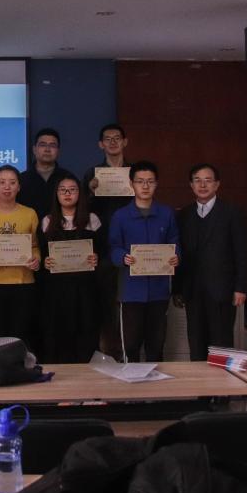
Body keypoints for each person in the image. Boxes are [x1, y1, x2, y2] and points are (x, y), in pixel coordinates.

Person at [174, 164, 247, 361]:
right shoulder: (184, 215)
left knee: (221, 343)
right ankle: (202, 382)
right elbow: (179, 254)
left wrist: (241, 287)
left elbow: (242, 253)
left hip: (222, 290)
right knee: (196, 343)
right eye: (197, 180)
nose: (202, 185)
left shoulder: (232, 213)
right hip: (192, 291)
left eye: (208, 181)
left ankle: (222, 382)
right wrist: (178, 289)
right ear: (191, 185)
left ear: (217, 185)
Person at [108, 161, 180, 363]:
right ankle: (130, 384)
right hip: (130, 291)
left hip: (159, 291)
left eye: (150, 181)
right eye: (140, 181)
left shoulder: (166, 213)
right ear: (131, 184)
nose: (145, 186)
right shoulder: (120, 216)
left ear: (156, 184)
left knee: (156, 346)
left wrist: (176, 256)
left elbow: (175, 242)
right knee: (130, 346)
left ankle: (155, 385)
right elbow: (113, 247)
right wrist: (122, 257)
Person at [82, 123, 134, 358]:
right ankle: (110, 353)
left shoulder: (135, 174)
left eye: (117, 138)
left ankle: (131, 353)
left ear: (125, 142)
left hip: (132, 247)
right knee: (106, 304)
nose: (113, 142)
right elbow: (84, 212)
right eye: (107, 139)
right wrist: (91, 192)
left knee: (131, 305)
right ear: (100, 144)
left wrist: (135, 188)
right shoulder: (92, 174)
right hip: (102, 248)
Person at [0, 165, 41, 346]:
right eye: (2, 182)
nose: (7, 187)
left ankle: (19, 365)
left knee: (20, 335)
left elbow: (35, 245)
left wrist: (37, 259)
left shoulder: (30, 213)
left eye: (12, 182)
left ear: (19, 187)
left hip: (23, 282)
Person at [39, 176, 101, 363]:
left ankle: (85, 375)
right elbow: (41, 252)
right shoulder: (47, 221)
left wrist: (97, 257)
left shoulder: (92, 220)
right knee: (58, 331)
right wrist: (45, 262)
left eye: (72, 189)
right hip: (56, 289)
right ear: (56, 194)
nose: (67, 193)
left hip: (85, 288)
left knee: (85, 329)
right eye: (63, 189)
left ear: (80, 193)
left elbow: (103, 251)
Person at [18, 128, 75, 220]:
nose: (47, 149)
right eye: (42, 145)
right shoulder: (21, 180)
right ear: (34, 149)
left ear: (58, 150)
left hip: (60, 228)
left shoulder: (68, 178)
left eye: (52, 145)